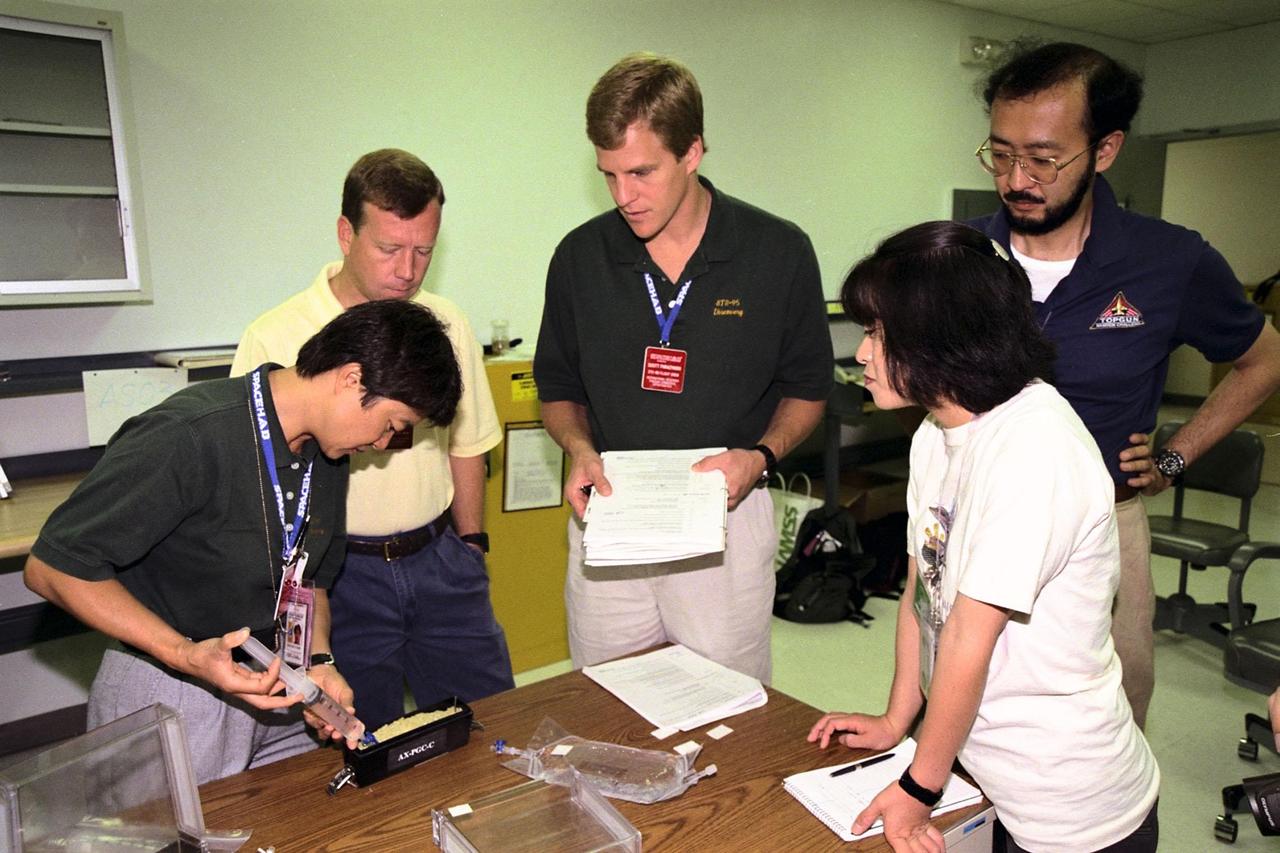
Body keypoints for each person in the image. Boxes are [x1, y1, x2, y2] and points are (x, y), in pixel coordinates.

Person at [808, 221, 1159, 853]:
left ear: (942, 339)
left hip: (1073, 809)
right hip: (988, 773)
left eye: (878, 335)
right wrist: (897, 719)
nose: (861, 354)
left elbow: (971, 635)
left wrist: (918, 790)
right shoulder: (934, 433)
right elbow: (924, 590)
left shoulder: (1035, 448)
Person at [969, 42, 1280, 729]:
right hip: (979, 521)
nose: (1017, 178)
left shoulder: (1171, 260)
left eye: (1045, 158)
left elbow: (1265, 361)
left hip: (1106, 526)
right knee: (967, 706)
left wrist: (1175, 456)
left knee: (1106, 716)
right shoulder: (957, 256)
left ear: (1105, 150)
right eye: (1001, 153)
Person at [25, 300, 462, 784]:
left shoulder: (327, 455)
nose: (383, 444)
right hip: (173, 686)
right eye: (391, 425)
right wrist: (184, 654)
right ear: (352, 378)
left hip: (275, 685)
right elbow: (54, 567)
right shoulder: (189, 435)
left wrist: (318, 664)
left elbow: (308, 578)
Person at [533, 52, 833, 682]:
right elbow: (558, 388)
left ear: (693, 152)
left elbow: (808, 391)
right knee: (607, 701)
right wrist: (579, 448)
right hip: (611, 518)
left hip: (724, 513)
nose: (624, 196)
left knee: (726, 704)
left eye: (641, 172)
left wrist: (762, 456)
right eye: (608, 174)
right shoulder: (580, 257)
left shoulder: (777, 251)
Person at [232, 149, 512, 730]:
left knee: (487, 723)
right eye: (389, 249)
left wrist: (472, 547)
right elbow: (256, 491)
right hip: (340, 581)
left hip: (441, 562)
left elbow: (467, 443)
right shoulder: (275, 337)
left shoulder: (445, 323)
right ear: (345, 233)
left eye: (424, 251)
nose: (408, 271)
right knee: (364, 740)